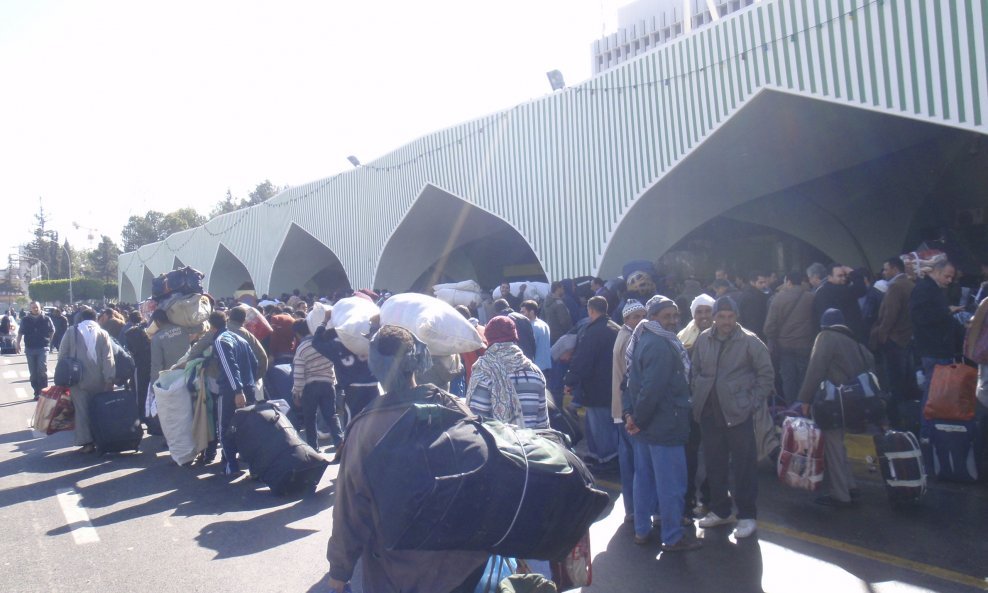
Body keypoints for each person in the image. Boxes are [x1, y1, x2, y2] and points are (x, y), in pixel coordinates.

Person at [325, 325, 490, 593]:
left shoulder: (365, 427)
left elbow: (350, 507)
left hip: (397, 571)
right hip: (461, 565)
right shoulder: (454, 407)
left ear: (376, 366)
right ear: (416, 363)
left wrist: (340, 571)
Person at [690, 296, 774, 539]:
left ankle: (747, 516)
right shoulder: (704, 339)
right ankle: (720, 510)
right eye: (721, 316)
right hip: (708, 413)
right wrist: (698, 391)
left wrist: (749, 404)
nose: (726, 321)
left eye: (731, 316)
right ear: (714, 317)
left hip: (739, 416)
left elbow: (766, 376)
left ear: (736, 317)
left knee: (744, 467)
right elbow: (695, 370)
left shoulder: (750, 342)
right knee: (714, 465)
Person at [623, 295, 701, 551]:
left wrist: (633, 417)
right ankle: (672, 536)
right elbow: (651, 389)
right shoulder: (660, 344)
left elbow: (633, 384)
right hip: (664, 425)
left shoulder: (643, 338)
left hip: (647, 427)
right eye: (666, 316)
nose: (673, 320)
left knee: (644, 481)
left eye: (675, 315)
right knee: (671, 485)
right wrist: (638, 420)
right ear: (653, 317)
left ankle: (642, 531)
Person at [797, 309, 872, 507]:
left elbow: (816, 368)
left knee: (833, 445)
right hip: (857, 402)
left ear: (824, 325)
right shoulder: (857, 344)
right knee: (840, 443)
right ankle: (851, 486)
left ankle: (840, 494)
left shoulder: (826, 337)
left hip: (834, 402)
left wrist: (804, 398)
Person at [910, 259, 964, 441]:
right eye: (947, 276)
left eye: (951, 277)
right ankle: (928, 433)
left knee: (936, 393)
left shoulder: (930, 289)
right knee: (934, 393)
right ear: (936, 272)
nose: (949, 280)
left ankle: (933, 431)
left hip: (936, 348)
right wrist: (947, 311)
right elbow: (920, 317)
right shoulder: (925, 289)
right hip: (934, 348)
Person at [564, 295, 621, 465]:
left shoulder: (594, 331)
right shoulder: (616, 328)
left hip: (597, 387)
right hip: (613, 385)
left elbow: (583, 359)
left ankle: (607, 459)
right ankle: (597, 455)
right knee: (600, 423)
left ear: (590, 310)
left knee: (600, 426)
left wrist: (570, 380)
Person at [465, 315, 548, 429]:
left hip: (496, 445)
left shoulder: (484, 371)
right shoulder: (535, 372)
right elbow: (543, 424)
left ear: (488, 338)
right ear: (514, 337)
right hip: (533, 444)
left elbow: (477, 422)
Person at [677, 294, 715, 517]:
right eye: (699, 312)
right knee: (689, 455)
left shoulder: (723, 336)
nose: (703, 316)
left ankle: (711, 498)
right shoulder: (684, 336)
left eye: (707, 311)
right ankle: (688, 498)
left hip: (714, 407)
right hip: (691, 407)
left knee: (714, 456)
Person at [57, 308, 116, 453]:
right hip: (99, 379)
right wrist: (110, 379)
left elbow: (62, 354)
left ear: (81, 318)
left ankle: (87, 443)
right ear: (95, 318)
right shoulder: (103, 333)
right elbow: (108, 358)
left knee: (82, 411)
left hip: (78, 379)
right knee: (99, 410)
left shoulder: (72, 331)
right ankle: (101, 438)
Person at [210, 310, 259, 474]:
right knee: (247, 428)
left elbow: (230, 367)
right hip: (249, 387)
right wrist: (249, 384)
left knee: (224, 429)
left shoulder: (220, 340)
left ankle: (231, 465)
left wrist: (238, 390)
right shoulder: (241, 339)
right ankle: (254, 466)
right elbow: (255, 362)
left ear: (211, 327)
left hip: (232, 391)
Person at [870, 256, 916, 429]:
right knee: (906, 381)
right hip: (907, 337)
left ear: (895, 269)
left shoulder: (895, 287)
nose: (884, 272)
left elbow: (889, 314)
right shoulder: (911, 285)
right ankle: (908, 419)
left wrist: (882, 335)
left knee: (894, 383)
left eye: (886, 269)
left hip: (894, 339)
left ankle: (896, 421)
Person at [613, 299, 647, 523]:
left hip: (619, 409)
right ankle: (638, 511)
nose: (641, 320)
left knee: (628, 464)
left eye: (643, 315)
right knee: (638, 465)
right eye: (636, 317)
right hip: (627, 411)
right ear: (627, 319)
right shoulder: (630, 340)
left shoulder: (622, 336)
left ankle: (632, 510)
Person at [763, 270, 816, 404]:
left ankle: (792, 410)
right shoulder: (811, 297)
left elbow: (769, 326)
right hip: (805, 345)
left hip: (785, 346)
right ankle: (805, 408)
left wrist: (772, 339)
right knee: (804, 378)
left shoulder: (778, 298)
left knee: (788, 379)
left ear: (789, 282)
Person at [291, 319, 343, 450]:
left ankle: (313, 448)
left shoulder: (302, 349)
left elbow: (298, 374)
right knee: (331, 416)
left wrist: (296, 392)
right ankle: (339, 443)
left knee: (310, 419)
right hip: (328, 383)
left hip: (310, 387)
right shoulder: (323, 343)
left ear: (297, 334)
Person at [812, 263, 867, 341]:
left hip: (828, 336)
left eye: (845, 275)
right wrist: (852, 272)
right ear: (829, 277)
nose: (844, 278)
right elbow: (861, 289)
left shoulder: (821, 291)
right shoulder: (840, 290)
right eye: (840, 276)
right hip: (846, 336)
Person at [17, 302, 55, 398]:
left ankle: (44, 392)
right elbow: (20, 332)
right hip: (30, 348)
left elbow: (52, 330)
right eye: (33, 307)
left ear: (40, 308)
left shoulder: (46, 318)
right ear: (30, 308)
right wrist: (17, 344)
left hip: (43, 347)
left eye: (37, 307)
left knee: (42, 369)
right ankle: (36, 392)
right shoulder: (25, 320)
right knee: (33, 372)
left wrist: (49, 341)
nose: (35, 309)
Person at [520, 299, 552, 373]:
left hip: (536, 367)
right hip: (547, 364)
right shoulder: (544, 324)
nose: (521, 314)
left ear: (531, 312)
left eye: (523, 312)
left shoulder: (530, 327)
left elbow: (529, 348)